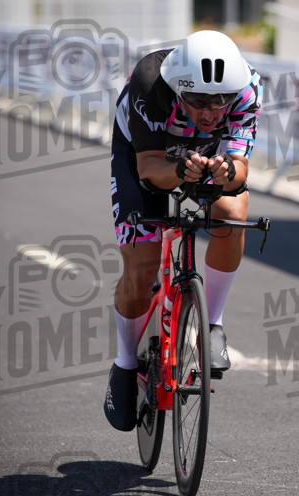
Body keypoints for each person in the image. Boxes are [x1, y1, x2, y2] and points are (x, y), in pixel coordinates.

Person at [105, 30, 262, 431]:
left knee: (232, 210)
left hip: (206, 151)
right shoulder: (149, 86)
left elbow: (239, 170)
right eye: (197, 101)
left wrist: (228, 172)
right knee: (142, 264)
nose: (210, 112)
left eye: (219, 101)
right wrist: (179, 172)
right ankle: (125, 364)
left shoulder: (246, 89)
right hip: (147, 151)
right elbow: (149, 169)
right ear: (177, 89)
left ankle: (212, 325)